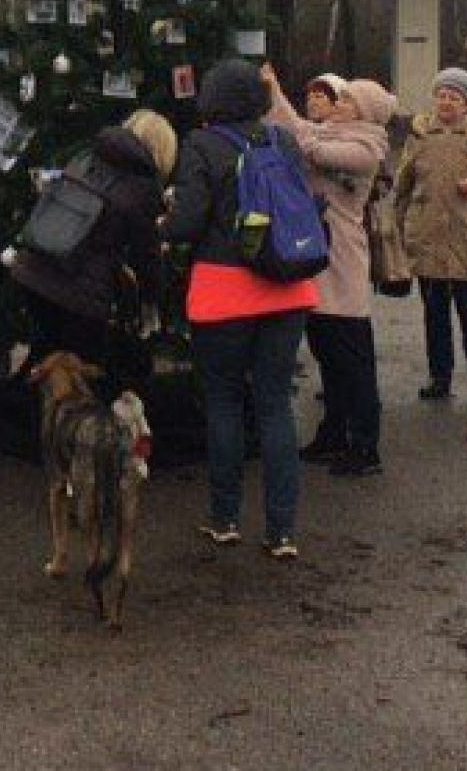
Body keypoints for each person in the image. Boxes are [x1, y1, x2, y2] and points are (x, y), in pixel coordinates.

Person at [162, 58, 319, 560]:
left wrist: (161, 225)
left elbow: (185, 223)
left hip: (223, 292)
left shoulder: (201, 145)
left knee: (225, 404)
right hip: (286, 286)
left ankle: (225, 517)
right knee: (275, 406)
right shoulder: (283, 141)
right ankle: (282, 531)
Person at [264, 66, 395, 476]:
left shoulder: (366, 148)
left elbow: (309, 148)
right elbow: (297, 127)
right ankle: (333, 434)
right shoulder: (327, 132)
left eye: (347, 99)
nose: (338, 104)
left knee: (352, 360)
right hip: (317, 259)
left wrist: (276, 94)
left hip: (342, 264)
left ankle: (365, 446)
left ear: (364, 112)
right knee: (327, 355)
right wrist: (274, 92)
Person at [10, 110, 176, 382]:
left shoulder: (88, 156)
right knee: (84, 374)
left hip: (34, 269)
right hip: (80, 293)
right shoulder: (143, 187)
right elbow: (147, 255)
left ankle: (14, 412)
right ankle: (33, 416)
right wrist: (151, 299)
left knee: (44, 358)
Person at [395, 66, 467, 410]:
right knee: (434, 315)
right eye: (442, 95)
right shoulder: (419, 136)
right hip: (426, 238)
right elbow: (403, 186)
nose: (446, 102)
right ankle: (439, 377)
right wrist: (397, 229)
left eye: (454, 97)